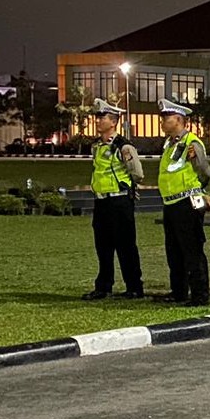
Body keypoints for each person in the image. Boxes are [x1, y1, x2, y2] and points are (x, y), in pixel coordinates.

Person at [83, 99, 145, 300]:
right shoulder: (98, 146)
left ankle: (134, 286)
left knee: (126, 246)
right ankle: (103, 286)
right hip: (101, 202)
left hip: (119, 202)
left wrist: (126, 188)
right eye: (98, 117)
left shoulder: (123, 146)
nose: (98, 121)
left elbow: (137, 173)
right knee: (103, 247)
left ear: (114, 122)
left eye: (103, 118)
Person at [154, 98, 210, 307]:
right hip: (171, 203)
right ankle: (178, 291)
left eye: (166, 118)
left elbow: (204, 171)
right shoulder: (170, 143)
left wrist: (199, 191)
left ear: (179, 120)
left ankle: (199, 295)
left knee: (192, 250)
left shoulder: (191, 143)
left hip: (187, 201)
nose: (162, 122)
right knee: (174, 250)